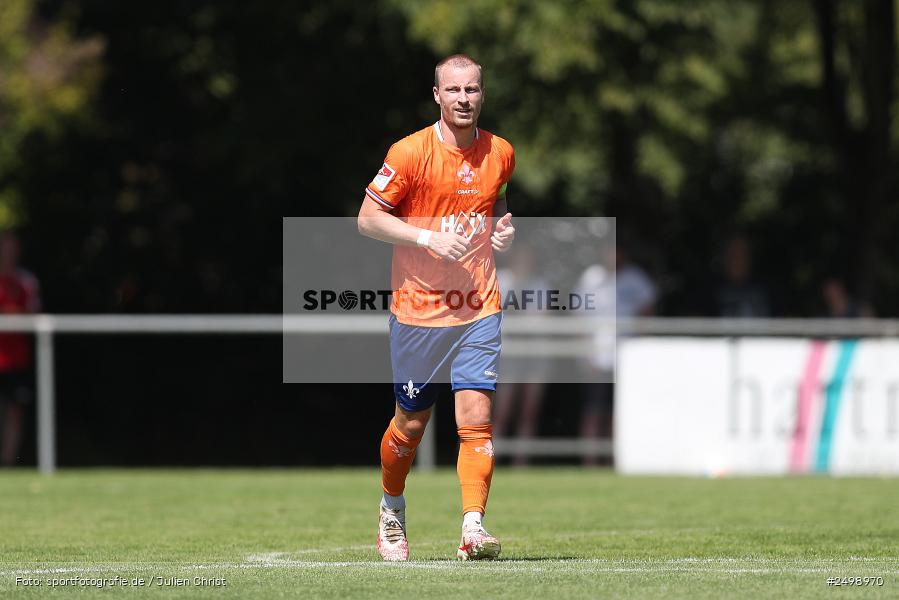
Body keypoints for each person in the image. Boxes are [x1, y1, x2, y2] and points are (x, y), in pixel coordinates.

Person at [357, 54, 515, 561]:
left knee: (477, 417)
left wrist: (502, 233)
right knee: (411, 424)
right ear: (437, 96)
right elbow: (367, 220)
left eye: (472, 90)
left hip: (478, 304)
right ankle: (391, 510)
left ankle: (473, 528)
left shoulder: (502, 152)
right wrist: (426, 237)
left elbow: (495, 209)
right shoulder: (408, 153)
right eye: (454, 90)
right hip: (419, 310)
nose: (463, 99)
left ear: (482, 95)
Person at [0, 232, 41, 466]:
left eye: (12, 247)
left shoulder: (26, 280)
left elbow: (32, 315)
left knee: (15, 411)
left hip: (17, 359)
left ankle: (7, 462)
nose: (9, 251)